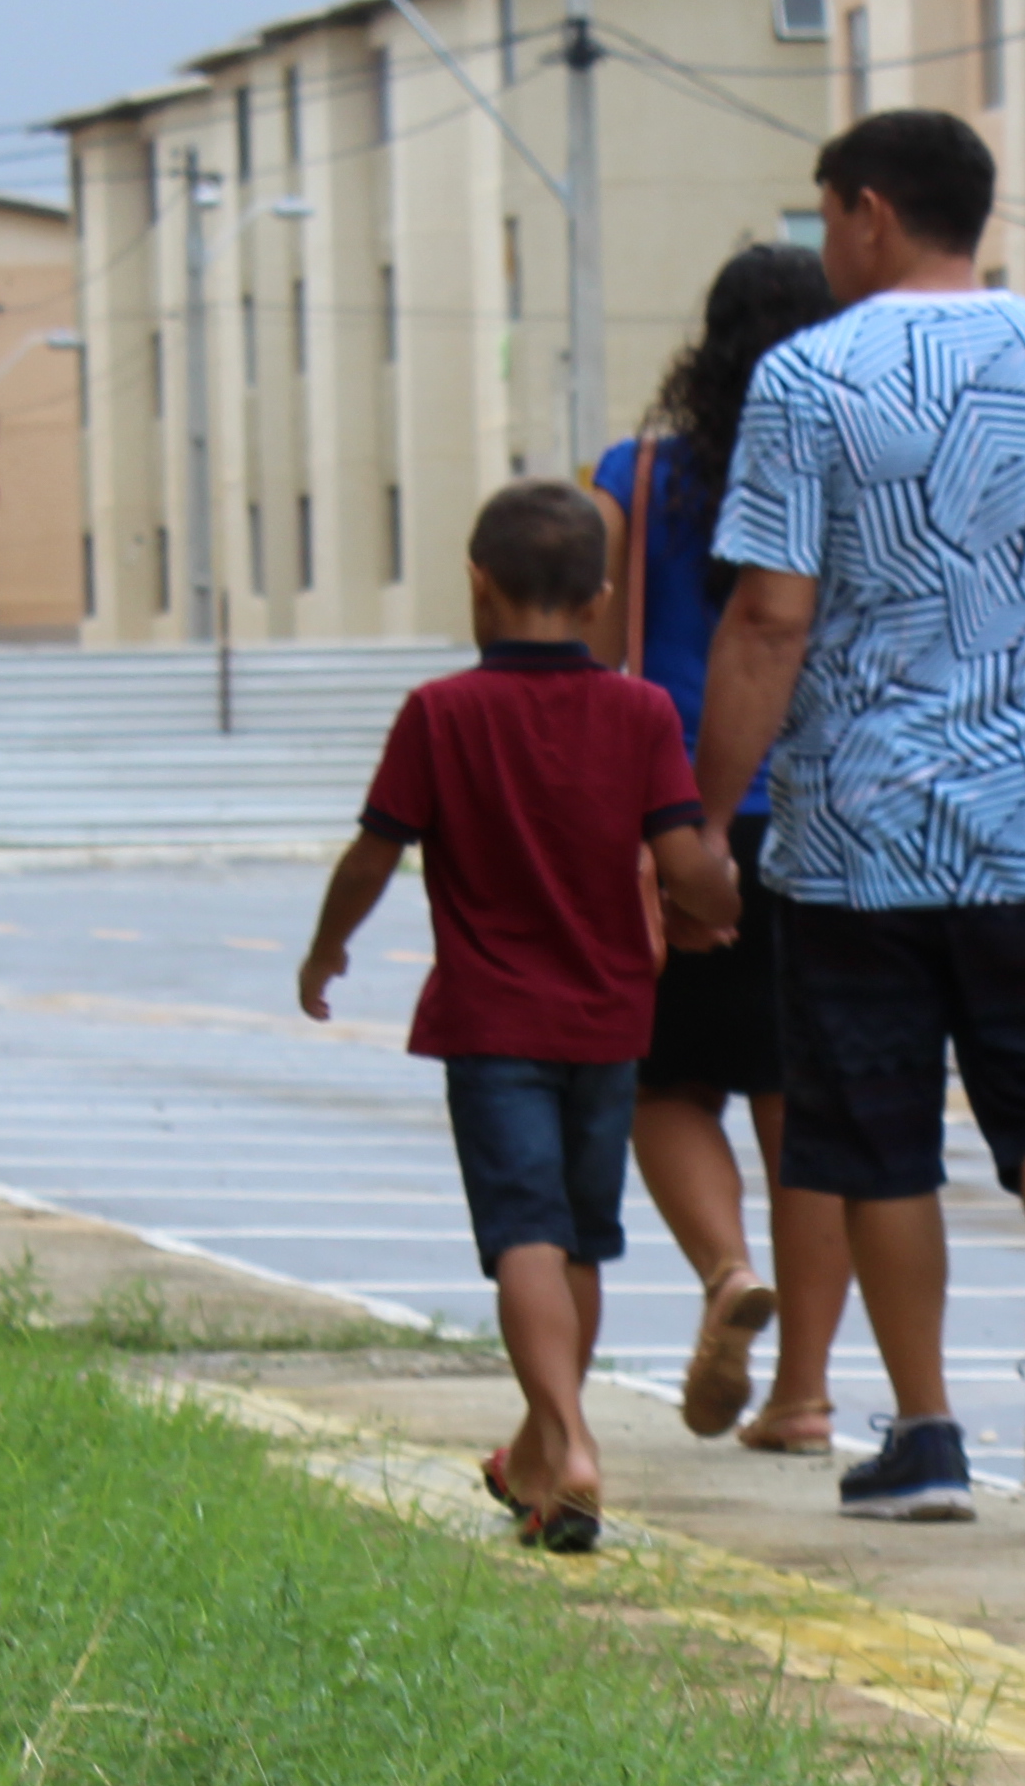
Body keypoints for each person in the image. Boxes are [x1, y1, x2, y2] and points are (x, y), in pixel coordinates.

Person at [696, 108, 1025, 1525]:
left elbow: (767, 617)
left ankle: (925, 1434)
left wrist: (698, 817)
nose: (823, 251)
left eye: (827, 221)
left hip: (855, 842)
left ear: (872, 211)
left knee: (872, 1138)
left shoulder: (809, 379)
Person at [298, 480, 737, 1557]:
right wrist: (711, 913)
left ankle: (571, 1444)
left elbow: (373, 854)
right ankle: (540, 1464)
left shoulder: (441, 713)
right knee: (580, 1241)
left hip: (492, 1021)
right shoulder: (641, 714)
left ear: (478, 586)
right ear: (598, 598)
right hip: (610, 1023)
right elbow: (688, 866)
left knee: (522, 1240)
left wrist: (328, 948)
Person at [590, 243, 852, 1451]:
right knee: (803, 1103)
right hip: (820, 810)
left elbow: (592, 653)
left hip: (671, 805)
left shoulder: (632, 475)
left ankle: (722, 1268)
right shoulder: (851, 460)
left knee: (663, 1080)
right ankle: (801, 1396)